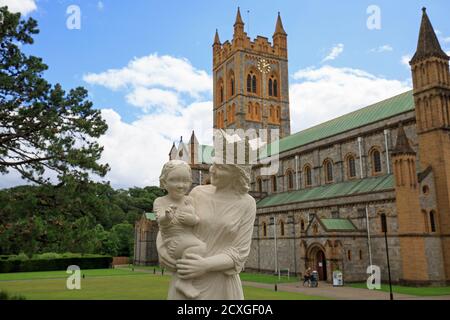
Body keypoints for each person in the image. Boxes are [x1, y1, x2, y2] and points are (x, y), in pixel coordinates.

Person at [157, 162, 256, 300]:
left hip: (221, 284)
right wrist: (161, 249)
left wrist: (205, 265)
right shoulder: (198, 192)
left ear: (236, 174)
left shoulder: (247, 203)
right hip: (185, 279)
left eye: (221, 168)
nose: (212, 170)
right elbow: (174, 223)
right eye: (214, 164)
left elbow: (239, 252)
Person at [154, 160, 206, 299]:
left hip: (187, 239)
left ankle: (185, 280)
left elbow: (196, 220)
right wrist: (167, 217)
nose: (181, 185)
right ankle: (184, 282)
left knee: (199, 248)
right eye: (174, 180)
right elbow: (161, 222)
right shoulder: (160, 201)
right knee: (200, 247)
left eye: (185, 181)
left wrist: (191, 219)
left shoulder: (189, 200)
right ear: (164, 183)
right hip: (173, 242)